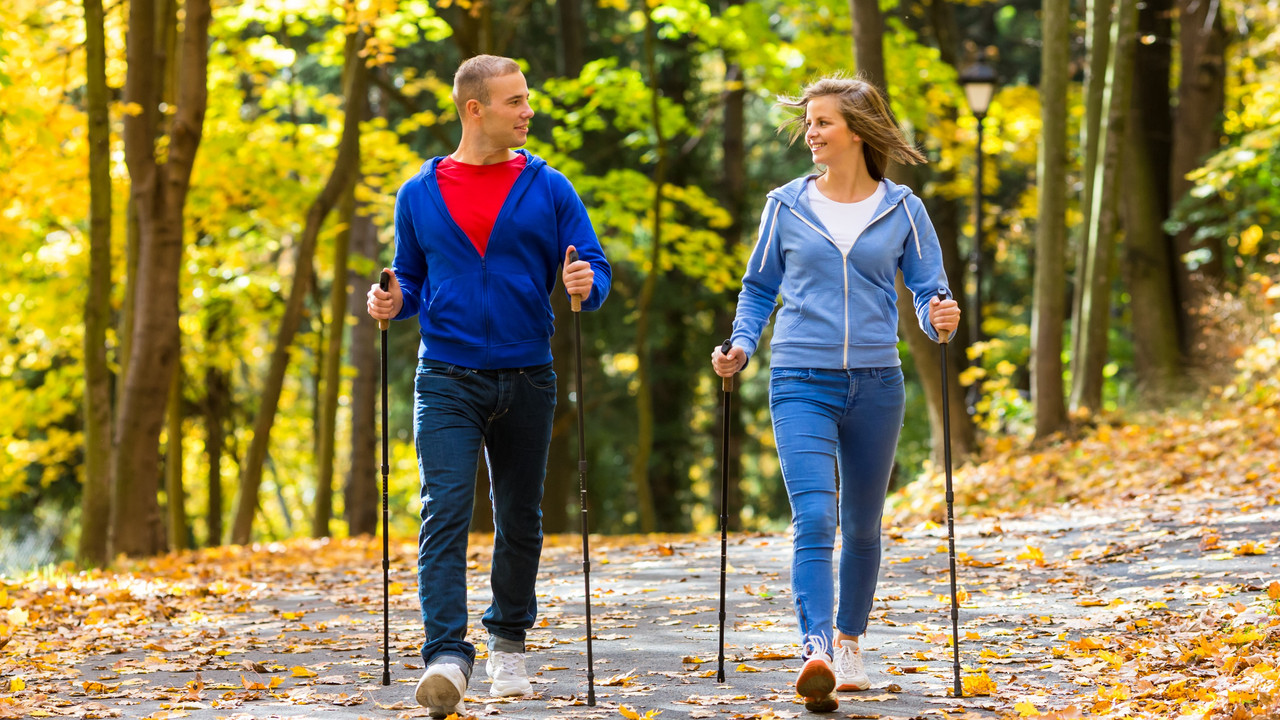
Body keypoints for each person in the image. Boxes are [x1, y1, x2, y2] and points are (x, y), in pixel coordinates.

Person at [367, 54, 610, 718]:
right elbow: (410, 279)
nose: (528, 110)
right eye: (515, 101)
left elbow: (592, 263)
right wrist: (392, 302)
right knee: (443, 510)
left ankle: (507, 641)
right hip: (445, 375)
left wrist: (586, 285)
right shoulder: (419, 193)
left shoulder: (549, 186)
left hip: (529, 374)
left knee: (520, 516)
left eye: (526, 99)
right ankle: (447, 654)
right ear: (475, 110)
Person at [711, 74, 960, 713]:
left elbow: (929, 285)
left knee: (865, 526)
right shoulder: (786, 205)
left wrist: (940, 313)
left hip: (878, 381)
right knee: (817, 518)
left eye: (822, 122)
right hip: (800, 377)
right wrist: (741, 343)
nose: (811, 133)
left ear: (856, 129)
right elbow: (759, 286)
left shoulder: (902, 207)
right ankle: (815, 647)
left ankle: (850, 641)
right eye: (810, 122)